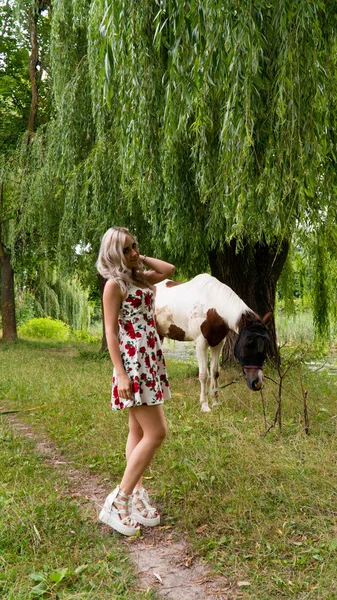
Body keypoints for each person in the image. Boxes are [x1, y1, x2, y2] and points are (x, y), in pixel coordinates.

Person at [96, 226, 175, 536]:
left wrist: (138, 257)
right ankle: (119, 501)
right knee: (157, 433)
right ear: (114, 252)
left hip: (150, 356)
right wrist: (120, 372)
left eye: (134, 247)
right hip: (133, 362)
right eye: (126, 249)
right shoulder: (114, 285)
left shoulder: (138, 278)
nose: (132, 253)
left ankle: (138, 494)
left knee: (138, 429)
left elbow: (168, 270)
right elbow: (111, 332)